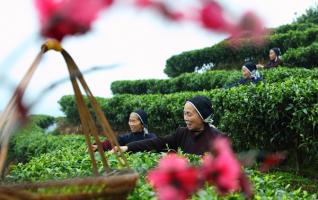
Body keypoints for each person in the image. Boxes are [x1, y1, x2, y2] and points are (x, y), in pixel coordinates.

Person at [110, 96, 224, 155]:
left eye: (189, 114)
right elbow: (157, 143)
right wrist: (127, 147)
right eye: (184, 114)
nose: (185, 118)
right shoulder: (182, 133)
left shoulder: (218, 138)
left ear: (202, 115)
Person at [92, 109, 157, 151]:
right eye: (130, 121)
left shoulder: (151, 137)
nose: (131, 124)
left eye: (134, 121)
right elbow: (112, 143)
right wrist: (98, 146)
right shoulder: (126, 138)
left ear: (142, 124)